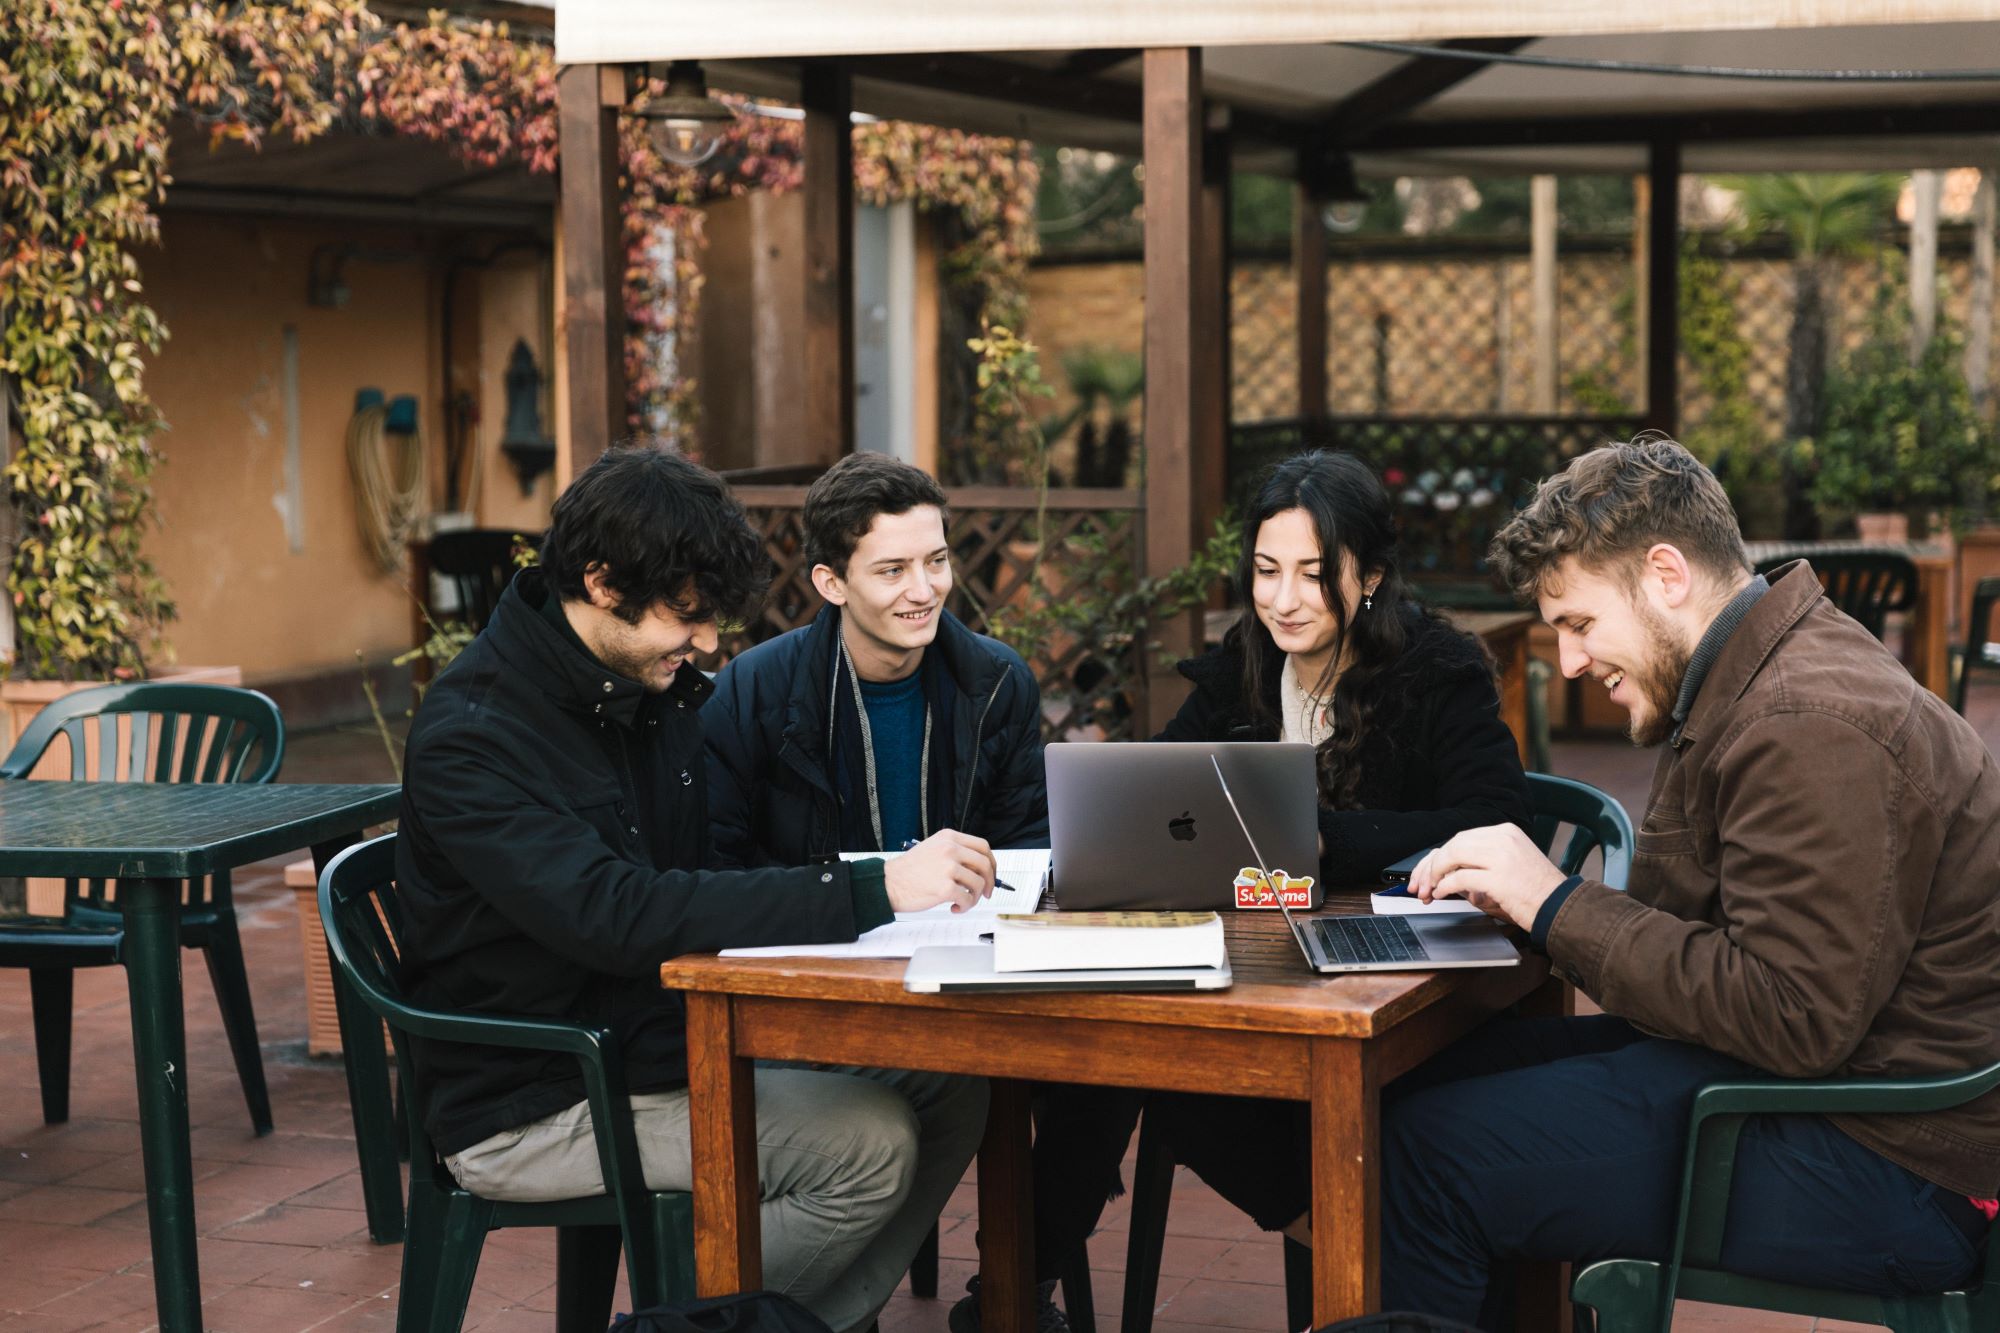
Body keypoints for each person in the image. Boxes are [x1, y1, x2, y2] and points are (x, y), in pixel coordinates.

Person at [1387, 435, 2000, 1326]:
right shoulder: (1752, 676)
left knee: (1423, 1156)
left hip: (1895, 1159)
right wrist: (1530, 902)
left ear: (1665, 572)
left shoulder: (1806, 719)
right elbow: (1707, 942)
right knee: (1424, 1084)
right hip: (1830, 1092)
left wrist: (1556, 902)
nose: (1568, 662)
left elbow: (1794, 1015)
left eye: (1580, 623)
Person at [394, 444, 996, 1333]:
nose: (709, 642)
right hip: (545, 1089)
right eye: (687, 616)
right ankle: (694, 1322)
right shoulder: (475, 737)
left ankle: (760, 1325)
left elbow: (698, 880)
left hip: (664, 1035)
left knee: (954, 1080)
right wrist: (871, 887)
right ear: (601, 582)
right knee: (870, 1144)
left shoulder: (635, 687)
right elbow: (621, 913)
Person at [1020, 449, 1534, 1315]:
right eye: (1265, 571)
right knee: (1108, 1044)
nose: (1283, 599)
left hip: (1389, 983)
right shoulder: (1243, 662)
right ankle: (1018, 1284)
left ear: (1368, 576)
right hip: (1254, 966)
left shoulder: (1435, 671)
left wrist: (1327, 843)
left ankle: (1366, 1246)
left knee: (1174, 1082)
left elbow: (1494, 815)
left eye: (1312, 574)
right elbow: (1162, 781)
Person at [705, 449, 1048, 868]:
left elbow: (1026, 844)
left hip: (963, 927)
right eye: (893, 570)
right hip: (813, 932)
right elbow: (718, 869)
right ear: (832, 584)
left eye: (936, 562)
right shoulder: (748, 694)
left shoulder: (998, 681)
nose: (924, 590)